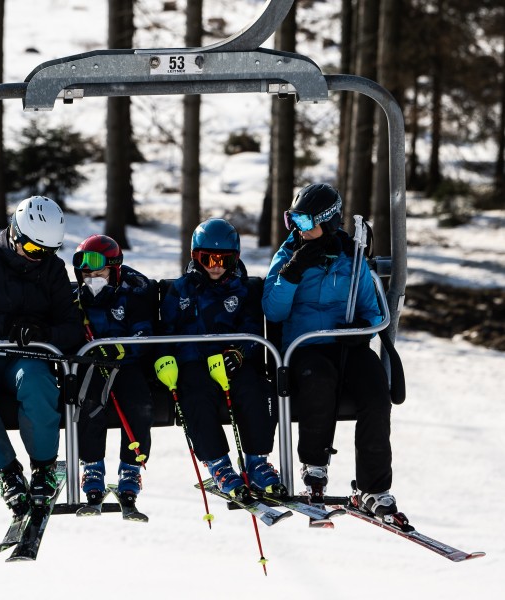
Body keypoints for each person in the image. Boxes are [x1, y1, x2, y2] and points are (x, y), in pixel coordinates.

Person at [262, 183, 399, 520]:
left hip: (346, 345)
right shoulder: (288, 255)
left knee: (376, 394)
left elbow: (375, 310)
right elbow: (273, 311)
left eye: (306, 223)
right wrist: (292, 273)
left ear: (330, 222)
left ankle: (374, 487)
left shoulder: (352, 260)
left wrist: (359, 329)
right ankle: (315, 465)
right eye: (293, 221)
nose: (298, 230)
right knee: (319, 380)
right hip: (304, 347)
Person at [0, 196, 85, 516]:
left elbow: (71, 328)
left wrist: (43, 333)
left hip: (26, 356)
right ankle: (7, 472)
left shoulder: (52, 270)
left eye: (49, 252)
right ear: (15, 235)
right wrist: (9, 325)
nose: (40, 259)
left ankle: (43, 466)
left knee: (38, 384)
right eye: (35, 250)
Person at [159, 218, 282, 499]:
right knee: (196, 395)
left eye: (223, 259)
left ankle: (256, 460)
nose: (215, 265)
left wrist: (239, 353)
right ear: (195, 257)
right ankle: (218, 463)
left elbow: (252, 328)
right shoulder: (180, 291)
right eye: (207, 258)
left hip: (231, 363)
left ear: (234, 259)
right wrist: (165, 359)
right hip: (194, 364)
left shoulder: (243, 290)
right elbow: (166, 331)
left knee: (255, 389)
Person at [72, 234, 155, 510]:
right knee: (90, 402)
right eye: (87, 273)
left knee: (140, 402)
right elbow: (66, 334)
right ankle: (92, 464)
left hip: (126, 365)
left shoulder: (133, 292)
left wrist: (120, 349)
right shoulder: (76, 300)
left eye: (100, 271)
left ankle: (131, 466)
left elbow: (145, 332)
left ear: (115, 269)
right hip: (92, 366)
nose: (93, 277)